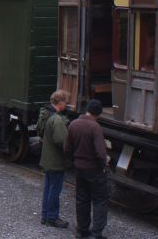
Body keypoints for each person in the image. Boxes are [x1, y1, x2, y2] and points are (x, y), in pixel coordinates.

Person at [65, 99, 110, 239]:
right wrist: (104, 165)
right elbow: (101, 153)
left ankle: (82, 230)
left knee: (82, 199)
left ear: (87, 110)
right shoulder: (95, 127)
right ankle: (97, 233)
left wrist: (74, 161)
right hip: (94, 169)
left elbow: (67, 148)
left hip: (79, 168)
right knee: (99, 200)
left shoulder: (74, 124)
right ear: (99, 114)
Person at [38, 89, 70, 228]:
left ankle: (45, 215)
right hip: (55, 160)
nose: (67, 105)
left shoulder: (46, 114)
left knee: (48, 188)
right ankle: (52, 217)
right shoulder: (57, 119)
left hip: (47, 158)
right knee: (55, 189)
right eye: (66, 102)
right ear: (61, 102)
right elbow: (61, 140)